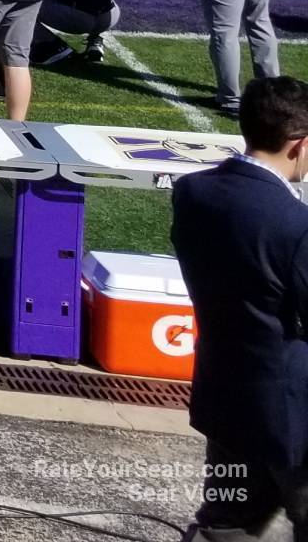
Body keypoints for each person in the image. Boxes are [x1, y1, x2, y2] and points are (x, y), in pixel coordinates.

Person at [171, 75, 308, 539]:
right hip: (295, 417)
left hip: (225, 398)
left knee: (225, 521)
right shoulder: (295, 222)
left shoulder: (192, 193)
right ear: (298, 145)